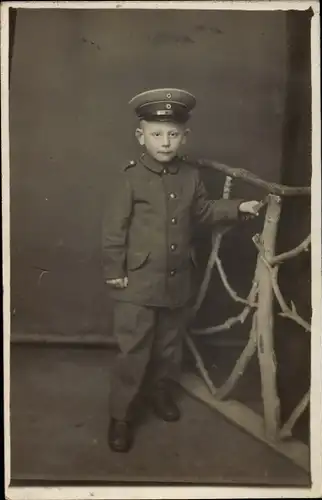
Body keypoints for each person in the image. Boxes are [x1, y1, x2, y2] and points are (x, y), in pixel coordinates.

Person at [102, 88, 260, 453]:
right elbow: (114, 229)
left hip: (176, 281)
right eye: (156, 133)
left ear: (184, 136)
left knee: (168, 346)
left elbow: (202, 213)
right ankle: (121, 415)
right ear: (140, 136)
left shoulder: (189, 175)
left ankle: (160, 394)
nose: (165, 141)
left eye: (173, 133)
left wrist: (238, 207)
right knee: (134, 350)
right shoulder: (130, 177)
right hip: (137, 281)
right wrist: (115, 270)